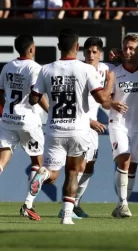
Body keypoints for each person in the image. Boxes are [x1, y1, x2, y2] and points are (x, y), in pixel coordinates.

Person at [26, 28, 114, 224]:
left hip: (55, 128)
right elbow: (101, 98)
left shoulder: (46, 69)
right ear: (77, 47)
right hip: (79, 129)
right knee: (73, 172)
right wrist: (109, 83)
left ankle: (43, 173)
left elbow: (33, 99)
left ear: (58, 47)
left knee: (53, 173)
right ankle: (66, 216)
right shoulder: (87, 69)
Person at [0, 34, 48, 222]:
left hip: (8, 119)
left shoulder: (8, 66)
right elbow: (37, 95)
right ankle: (28, 204)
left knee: (0, 160)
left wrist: (9, 109)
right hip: (29, 122)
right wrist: (50, 111)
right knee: (38, 164)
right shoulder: (35, 68)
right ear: (32, 48)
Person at [57, 36, 115, 219]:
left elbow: (105, 103)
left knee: (89, 167)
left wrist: (113, 103)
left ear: (100, 53)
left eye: (95, 51)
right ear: (83, 52)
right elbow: (71, 103)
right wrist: (89, 121)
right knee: (78, 167)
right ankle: (66, 205)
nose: (91, 54)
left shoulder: (106, 70)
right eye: (88, 51)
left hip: (94, 127)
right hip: (79, 124)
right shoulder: (79, 70)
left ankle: (76, 204)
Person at [103, 34, 138, 218]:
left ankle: (121, 205)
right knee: (125, 157)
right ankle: (123, 204)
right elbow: (104, 101)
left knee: (133, 167)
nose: (128, 51)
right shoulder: (114, 72)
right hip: (118, 123)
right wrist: (112, 104)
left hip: (137, 125)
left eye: (132, 48)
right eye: (125, 48)